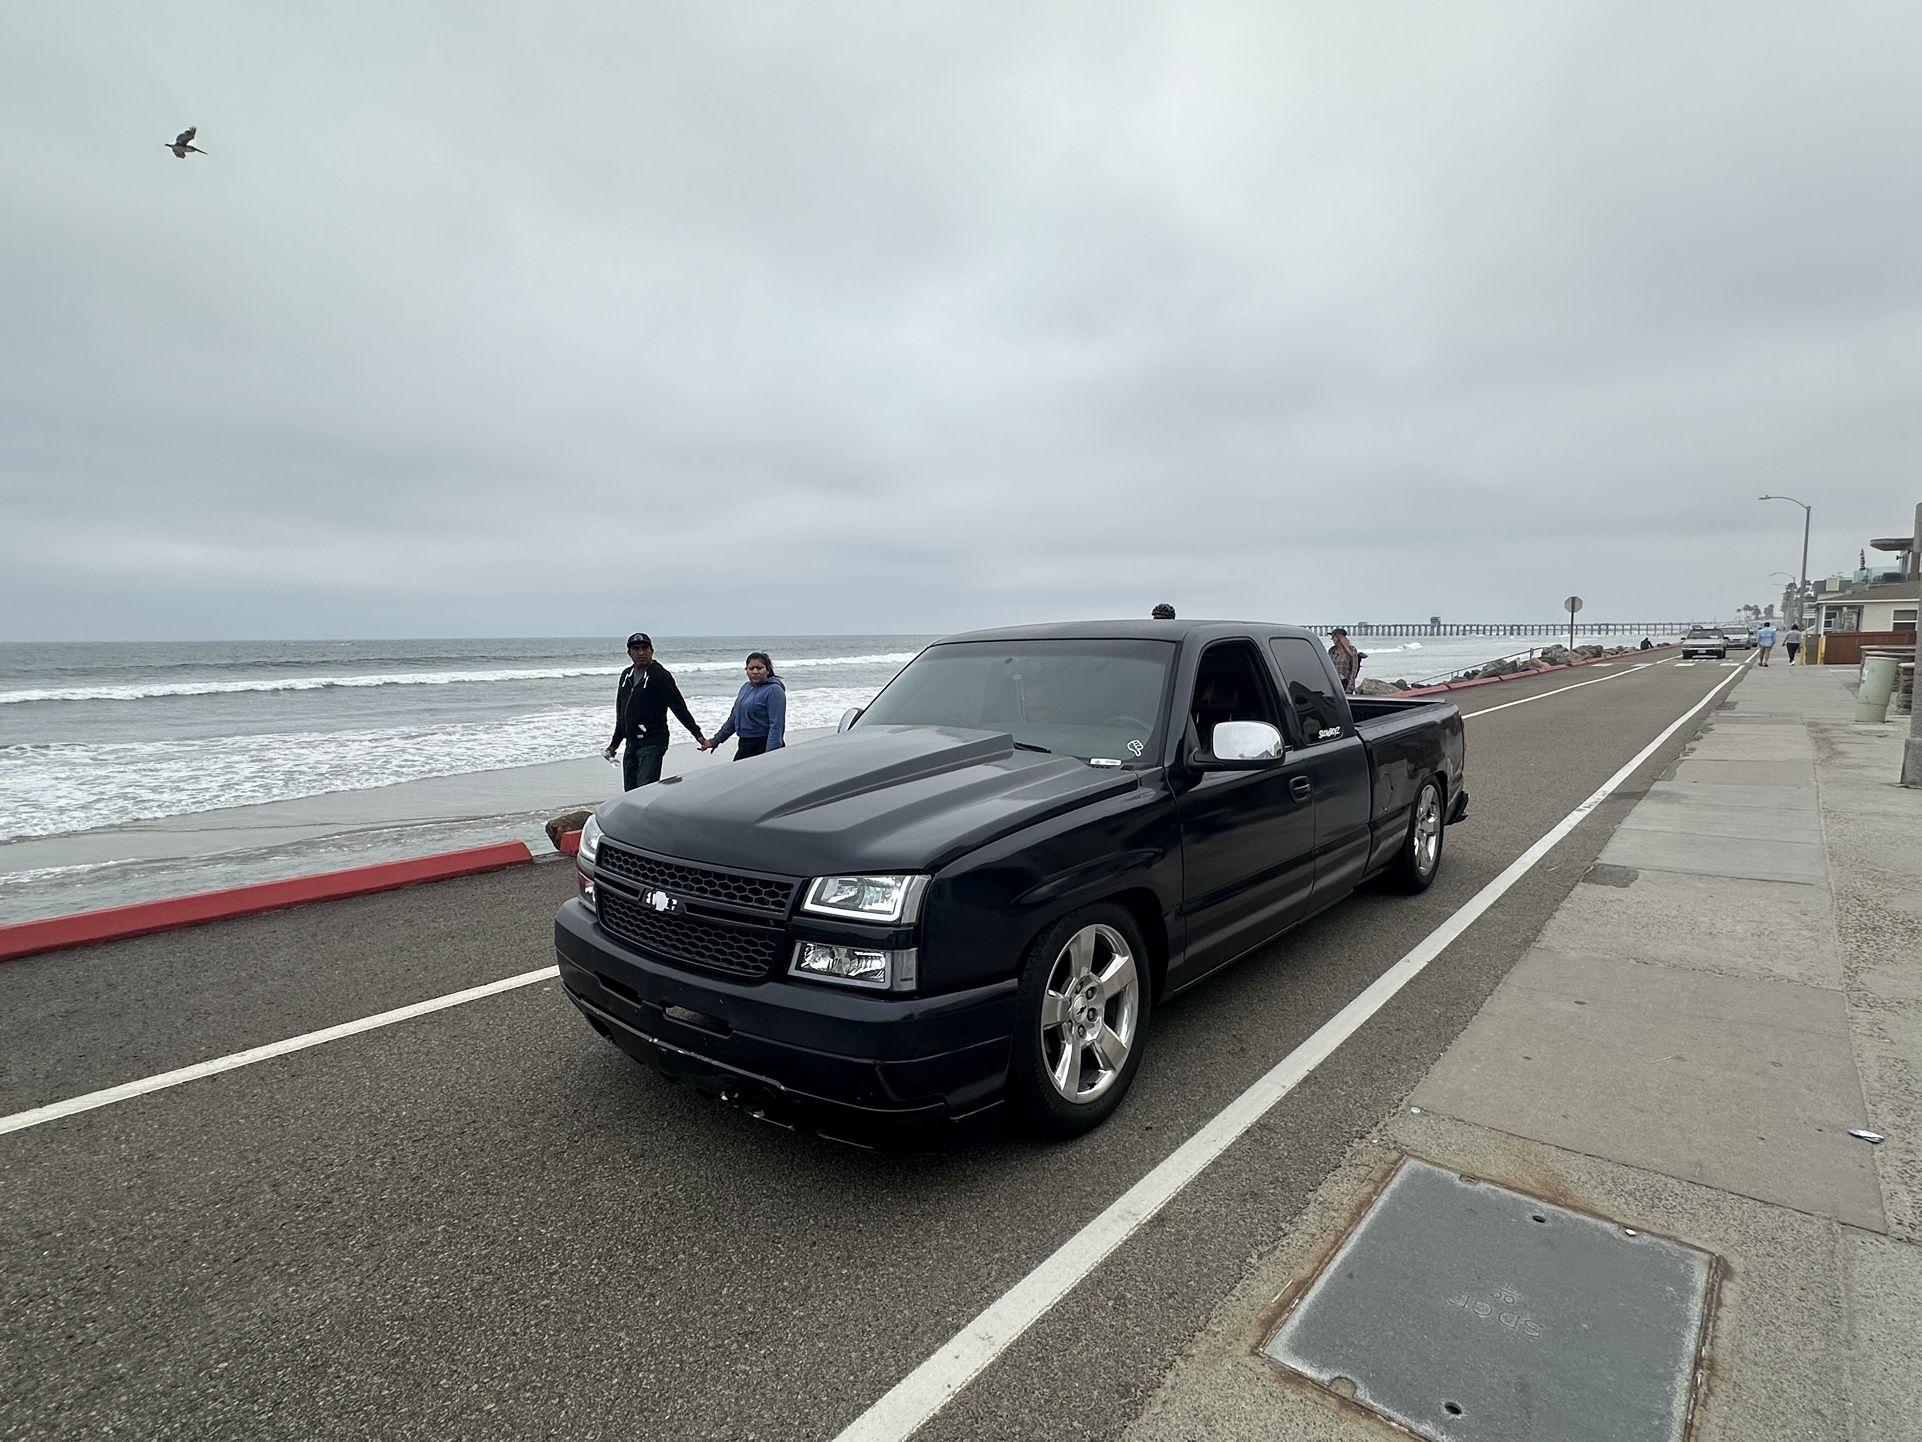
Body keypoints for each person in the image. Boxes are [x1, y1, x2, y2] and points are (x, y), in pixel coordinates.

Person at [605, 632, 709, 789]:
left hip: (652, 741)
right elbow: (622, 713)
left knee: (645, 789)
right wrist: (614, 745)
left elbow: (678, 706)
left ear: (651, 651)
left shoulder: (660, 676)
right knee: (630, 791)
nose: (641, 653)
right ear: (629, 653)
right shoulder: (626, 676)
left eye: (645, 648)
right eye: (636, 649)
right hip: (632, 742)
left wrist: (698, 735)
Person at [708, 652, 787, 760]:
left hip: (764, 744)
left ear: (767, 670)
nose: (755, 672)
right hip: (745, 744)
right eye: (751, 668)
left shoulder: (774, 691)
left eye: (759, 668)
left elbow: (777, 725)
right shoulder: (745, 688)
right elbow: (734, 719)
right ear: (746, 671)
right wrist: (716, 740)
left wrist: (770, 755)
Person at [1328, 628, 1361, 694]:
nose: (1332, 639)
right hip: (1333, 683)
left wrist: (1350, 686)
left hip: (1345, 683)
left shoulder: (1351, 650)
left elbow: (1354, 670)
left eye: (1333, 636)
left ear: (1339, 638)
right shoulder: (1332, 650)